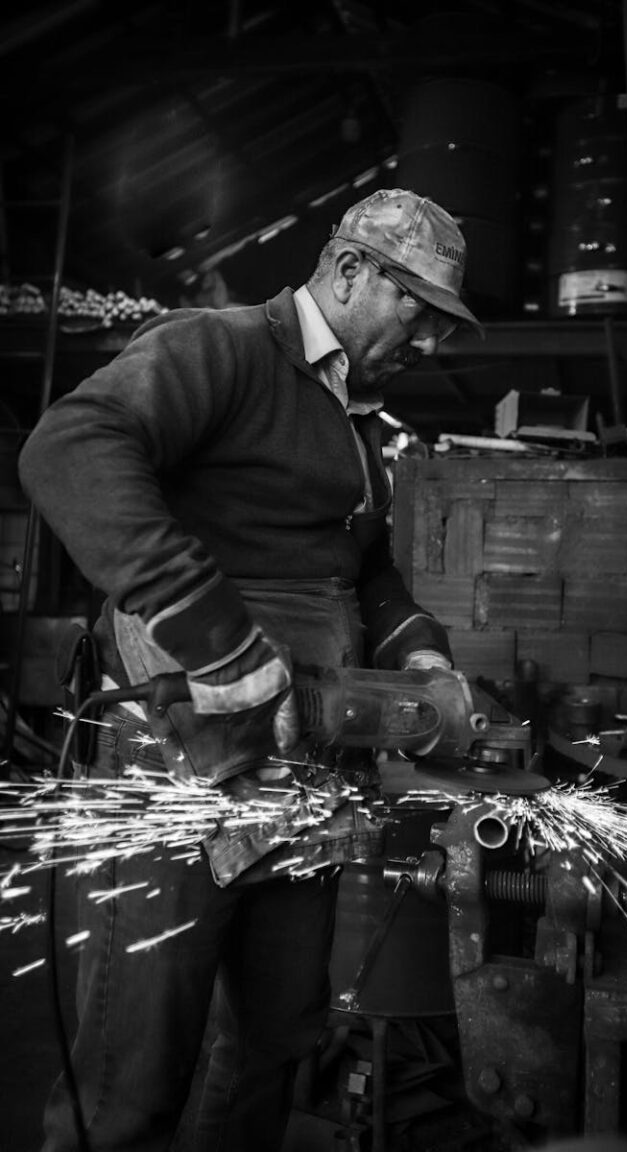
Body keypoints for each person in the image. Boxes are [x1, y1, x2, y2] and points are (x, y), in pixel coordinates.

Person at [19, 188, 483, 1152]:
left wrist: (419, 651)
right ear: (350, 271)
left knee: (276, 1043)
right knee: (134, 1074)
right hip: (180, 763)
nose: (431, 339)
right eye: (420, 310)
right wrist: (220, 642)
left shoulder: (357, 416)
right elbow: (69, 447)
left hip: (303, 771)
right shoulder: (222, 347)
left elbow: (364, 566)